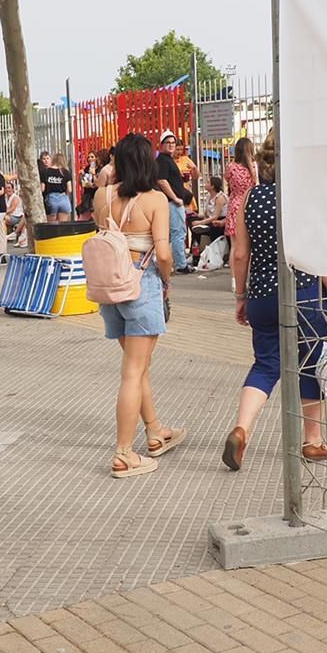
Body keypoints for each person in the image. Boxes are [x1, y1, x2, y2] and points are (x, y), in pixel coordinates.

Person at [222, 133, 327, 472]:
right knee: (309, 365)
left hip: (262, 296)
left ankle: (242, 429)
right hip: (305, 296)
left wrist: (241, 296)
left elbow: (239, 253)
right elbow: (321, 260)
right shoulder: (306, 200)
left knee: (266, 365)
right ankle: (312, 442)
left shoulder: (250, 198)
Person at [92, 133, 185, 478]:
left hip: (109, 290)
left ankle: (155, 432)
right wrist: (167, 280)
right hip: (141, 285)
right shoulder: (154, 200)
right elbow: (163, 252)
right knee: (133, 372)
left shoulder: (102, 196)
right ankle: (124, 453)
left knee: (137, 366)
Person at [155, 133, 192, 274]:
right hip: (172, 203)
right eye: (167, 142)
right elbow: (162, 181)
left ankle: (171, 261)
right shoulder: (163, 161)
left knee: (170, 234)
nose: (171, 145)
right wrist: (175, 198)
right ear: (161, 144)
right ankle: (181, 265)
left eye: (173, 142)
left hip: (172, 202)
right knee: (178, 233)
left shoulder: (167, 160)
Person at [224, 136, 256, 240]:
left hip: (235, 205)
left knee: (234, 245)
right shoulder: (254, 167)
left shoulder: (231, 167)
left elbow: (226, 180)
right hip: (250, 204)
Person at [191, 175, 229, 261]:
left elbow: (215, 216)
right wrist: (198, 217)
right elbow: (206, 213)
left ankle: (215, 255)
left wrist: (201, 222)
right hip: (211, 219)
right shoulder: (208, 196)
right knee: (195, 228)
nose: (205, 184)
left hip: (220, 220)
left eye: (208, 182)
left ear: (212, 186)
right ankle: (194, 253)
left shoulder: (220, 198)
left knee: (213, 229)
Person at [40, 152, 73, 222]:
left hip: (51, 200)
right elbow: (70, 189)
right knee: (62, 227)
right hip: (64, 199)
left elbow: (42, 189)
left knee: (51, 227)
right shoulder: (66, 172)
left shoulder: (45, 172)